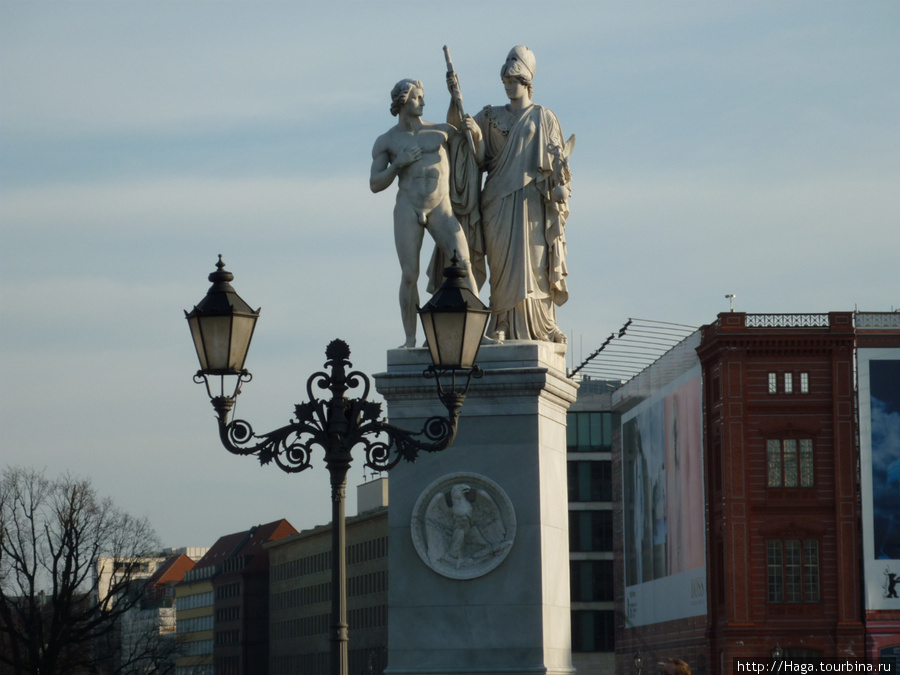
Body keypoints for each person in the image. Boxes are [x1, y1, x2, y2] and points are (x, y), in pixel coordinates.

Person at [448, 46, 573, 343]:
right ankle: (501, 321)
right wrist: (456, 101)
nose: (508, 86)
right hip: (497, 201)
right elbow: (467, 147)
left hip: (532, 201)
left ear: (527, 81)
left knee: (536, 262)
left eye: (513, 80)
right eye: (504, 81)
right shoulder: (489, 116)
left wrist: (561, 184)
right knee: (502, 268)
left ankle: (543, 323)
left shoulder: (544, 117)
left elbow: (558, 162)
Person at [370, 78, 479, 348]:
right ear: (403, 100)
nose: (423, 102)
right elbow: (375, 184)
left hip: (440, 207)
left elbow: (470, 146)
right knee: (409, 275)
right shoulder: (387, 140)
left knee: (464, 264)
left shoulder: (441, 131)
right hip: (408, 207)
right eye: (418, 97)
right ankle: (410, 339)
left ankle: (478, 333)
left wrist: (463, 112)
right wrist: (398, 164)